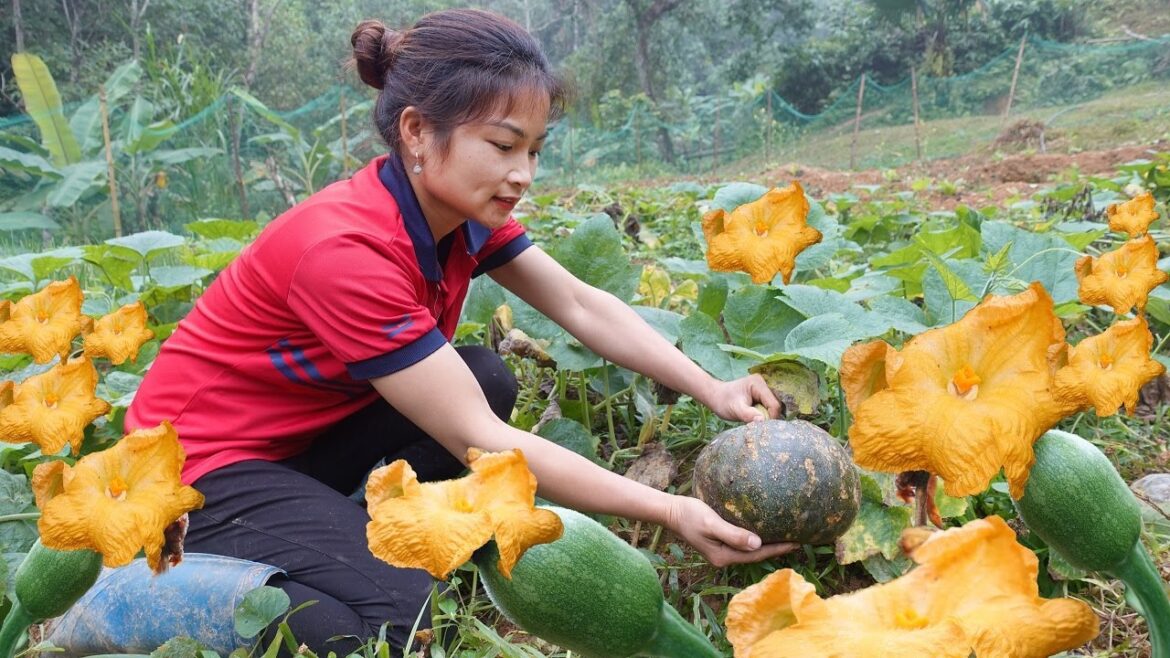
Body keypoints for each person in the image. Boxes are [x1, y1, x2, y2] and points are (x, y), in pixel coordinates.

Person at [126, 8, 795, 654]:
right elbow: (479, 442)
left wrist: (714, 388)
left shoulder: (458, 210)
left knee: (485, 376)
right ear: (417, 131)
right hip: (194, 474)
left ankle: (327, 538)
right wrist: (671, 511)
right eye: (503, 146)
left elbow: (579, 304)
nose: (523, 174)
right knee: (394, 616)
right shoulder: (345, 251)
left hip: (293, 447)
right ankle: (141, 595)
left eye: (533, 149)